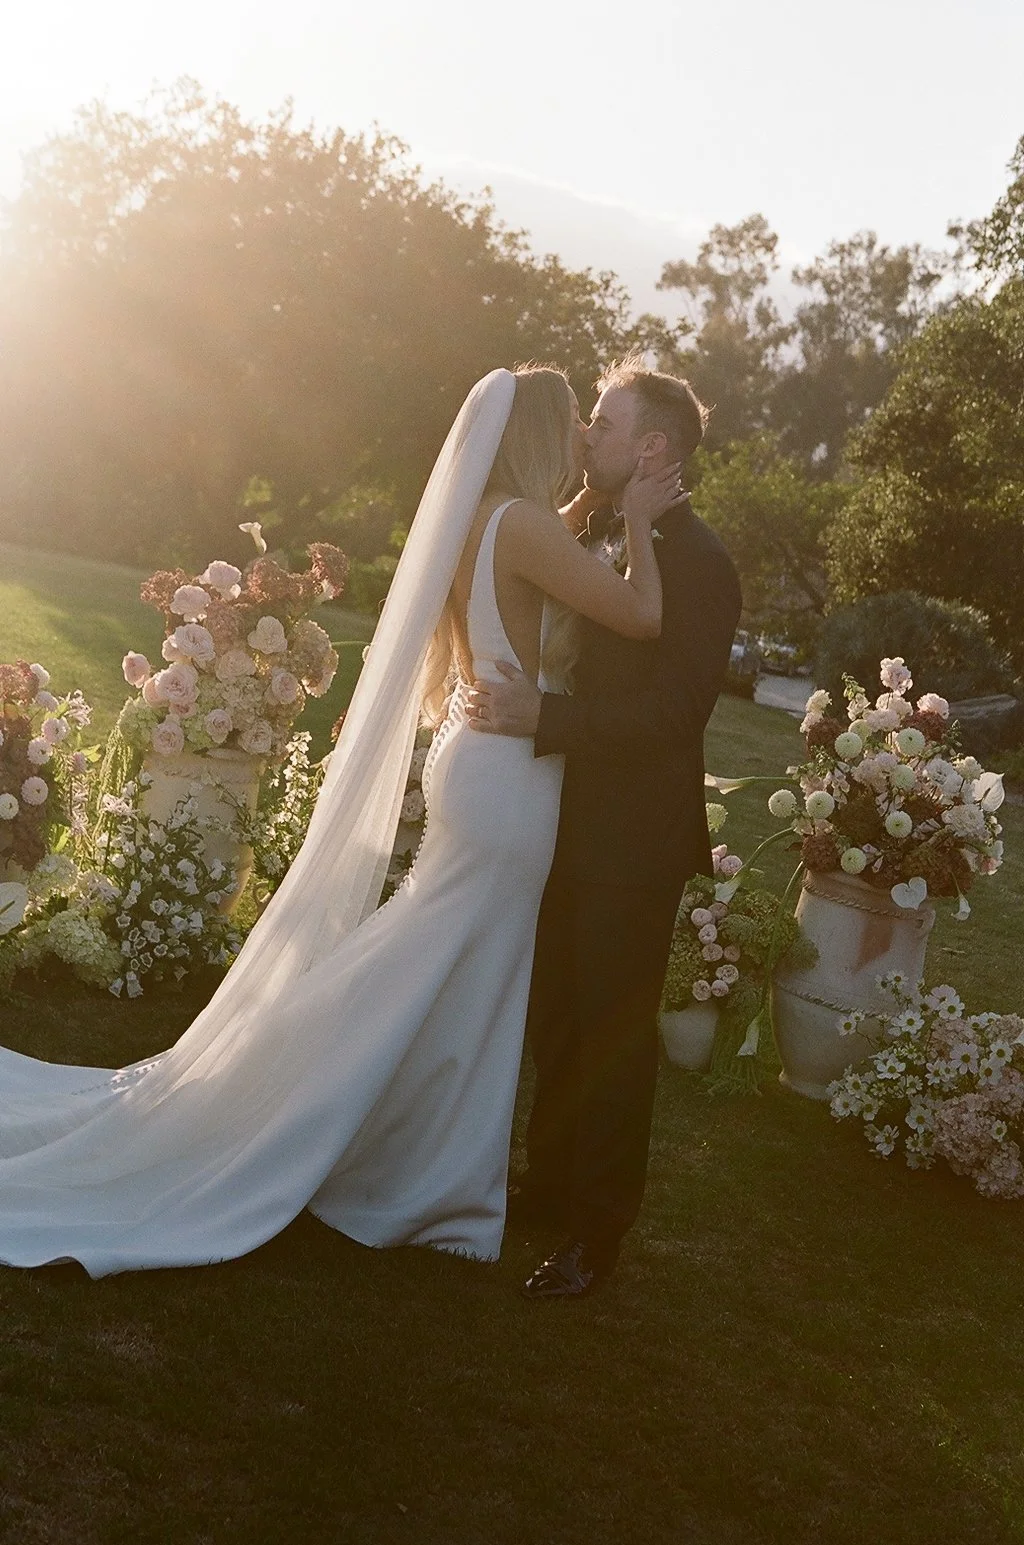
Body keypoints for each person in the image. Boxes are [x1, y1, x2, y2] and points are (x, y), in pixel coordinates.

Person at [0, 365, 685, 1278]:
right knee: (446, 968)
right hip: (510, 781)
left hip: (484, 766)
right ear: (536, 435)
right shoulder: (522, 525)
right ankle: (366, 1140)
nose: (579, 448)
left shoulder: (492, 523)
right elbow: (642, 615)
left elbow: (549, 565)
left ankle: (398, 1147)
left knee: (446, 966)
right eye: (571, 430)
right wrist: (639, 513)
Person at [468, 356, 742, 1298]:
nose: (590, 435)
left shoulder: (701, 563)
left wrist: (546, 722)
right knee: (558, 1021)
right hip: (565, 823)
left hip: (632, 844)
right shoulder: (596, 532)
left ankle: (595, 1235)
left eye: (607, 424)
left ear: (653, 446)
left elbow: (674, 714)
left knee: (615, 1041)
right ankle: (547, 1187)